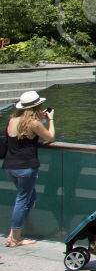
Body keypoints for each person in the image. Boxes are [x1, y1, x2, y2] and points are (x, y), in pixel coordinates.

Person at [5, 92, 54, 248]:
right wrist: (51, 120)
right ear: (36, 107)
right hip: (26, 167)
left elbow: (24, 136)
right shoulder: (33, 123)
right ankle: (15, 238)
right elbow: (50, 137)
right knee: (22, 200)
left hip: (10, 166)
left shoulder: (13, 120)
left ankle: (13, 233)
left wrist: (41, 119)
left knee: (29, 198)